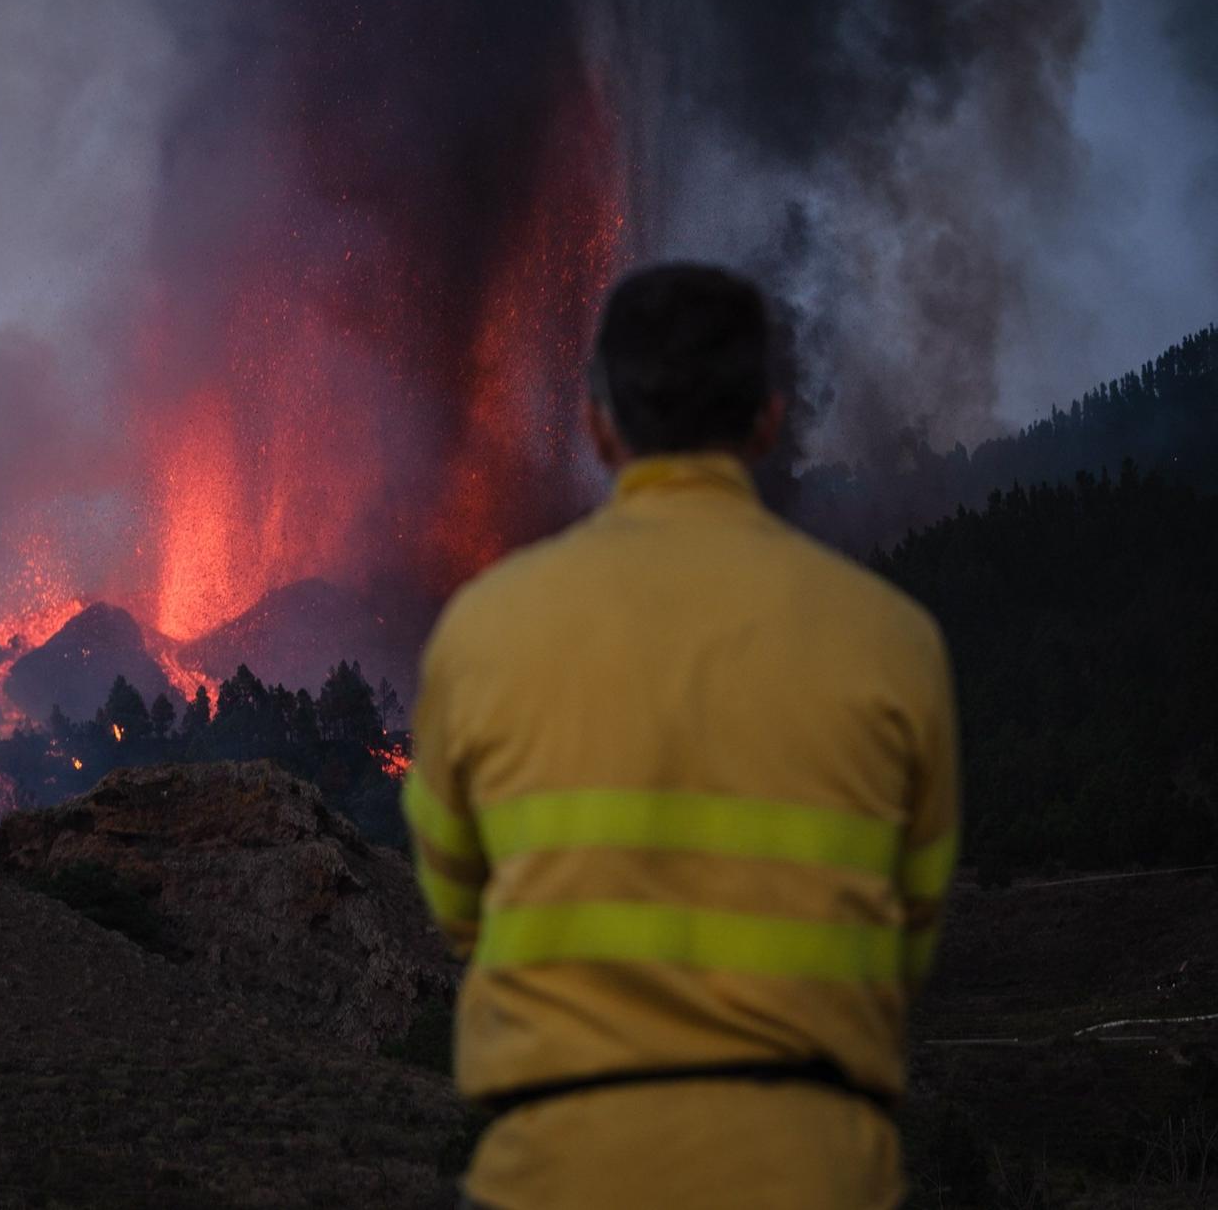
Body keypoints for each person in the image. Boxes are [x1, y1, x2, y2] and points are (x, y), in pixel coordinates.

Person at [405, 264, 957, 1209]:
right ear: (768, 420)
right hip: (812, 1174)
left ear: (598, 424)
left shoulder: (483, 631)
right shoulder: (892, 642)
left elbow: (457, 905)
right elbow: (911, 927)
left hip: (557, 1174)